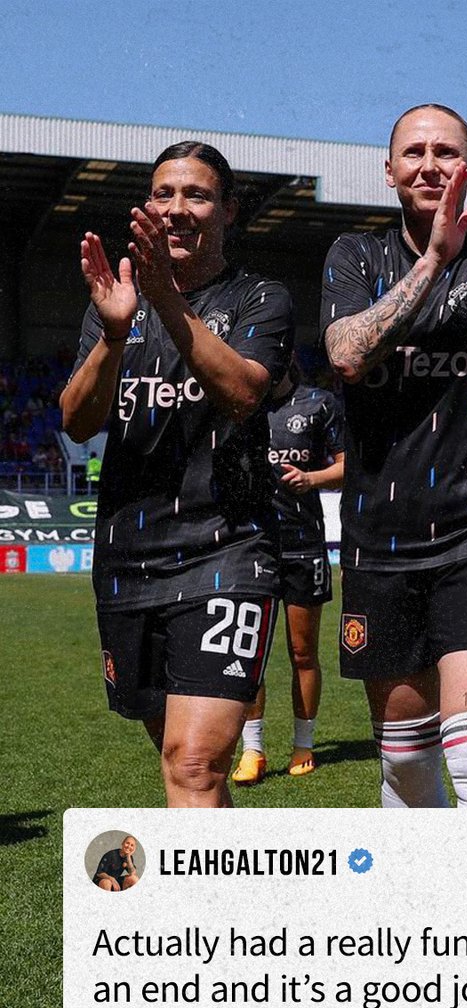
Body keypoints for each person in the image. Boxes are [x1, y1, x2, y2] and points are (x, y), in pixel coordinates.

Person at [61, 142, 295, 808]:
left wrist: (165, 300)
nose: (177, 209)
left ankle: (197, 914)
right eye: (163, 194)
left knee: (194, 764)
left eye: (195, 195)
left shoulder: (260, 298)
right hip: (128, 561)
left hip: (228, 549)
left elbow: (244, 393)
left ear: (228, 208)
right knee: (181, 768)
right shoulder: (114, 302)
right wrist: (111, 335)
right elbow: (77, 422)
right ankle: (236, 909)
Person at [319, 104, 467, 808]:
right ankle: (421, 910)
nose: (429, 164)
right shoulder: (354, 255)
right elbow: (348, 354)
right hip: (379, 540)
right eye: (413, 152)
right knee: (406, 765)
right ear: (389, 171)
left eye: (447, 152)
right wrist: (437, 257)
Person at [232, 380, 345, 784]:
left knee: (302, 652)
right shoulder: (239, 397)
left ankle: (303, 745)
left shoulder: (319, 402)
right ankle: (253, 750)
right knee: (249, 655)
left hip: (303, 545)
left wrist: (312, 479)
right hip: (252, 547)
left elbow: (349, 466)